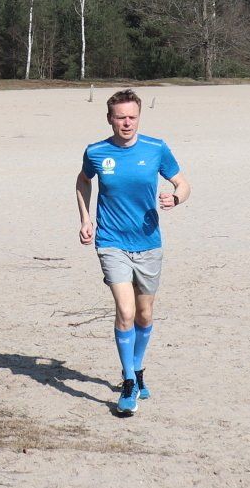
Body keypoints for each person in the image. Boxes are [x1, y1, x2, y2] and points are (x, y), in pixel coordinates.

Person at [74, 88, 189, 417]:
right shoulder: (96, 152)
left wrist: (175, 198)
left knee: (144, 314)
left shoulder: (156, 148)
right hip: (111, 241)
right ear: (110, 119)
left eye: (132, 117)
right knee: (125, 311)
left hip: (148, 243)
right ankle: (127, 381)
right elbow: (83, 181)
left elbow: (184, 184)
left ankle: (138, 371)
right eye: (121, 117)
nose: (127, 123)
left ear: (139, 117)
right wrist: (86, 219)